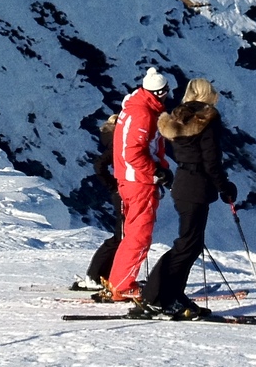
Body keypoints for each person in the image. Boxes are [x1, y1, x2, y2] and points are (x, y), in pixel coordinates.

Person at [135, 77, 238, 320]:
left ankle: (171, 295)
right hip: (197, 187)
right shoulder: (206, 121)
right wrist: (225, 187)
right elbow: (211, 161)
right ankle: (158, 297)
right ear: (208, 96)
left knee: (189, 245)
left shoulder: (178, 119)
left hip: (183, 183)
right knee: (187, 245)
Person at [104, 68, 172, 301]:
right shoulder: (144, 114)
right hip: (139, 181)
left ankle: (119, 280)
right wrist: (155, 172)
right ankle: (123, 286)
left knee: (132, 233)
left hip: (129, 179)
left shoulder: (135, 107)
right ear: (160, 92)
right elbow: (133, 152)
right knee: (140, 235)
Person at [74, 115, 121, 292]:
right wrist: (114, 185)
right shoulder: (117, 143)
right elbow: (99, 165)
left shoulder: (112, 141)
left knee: (121, 236)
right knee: (120, 237)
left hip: (119, 190)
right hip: (122, 191)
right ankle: (95, 275)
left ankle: (101, 275)